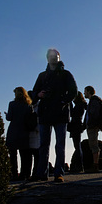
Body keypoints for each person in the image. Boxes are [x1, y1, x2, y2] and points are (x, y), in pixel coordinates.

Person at [31, 48, 78, 183]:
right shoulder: (42, 76)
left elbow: (73, 91)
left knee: (60, 145)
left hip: (60, 113)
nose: (53, 58)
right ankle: (41, 173)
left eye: (55, 56)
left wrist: (63, 101)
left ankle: (58, 173)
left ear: (58, 57)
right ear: (47, 58)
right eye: (50, 56)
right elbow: (34, 92)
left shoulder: (66, 74)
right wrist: (38, 95)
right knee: (43, 145)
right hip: (45, 113)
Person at [4, 87, 34, 180]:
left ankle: (14, 174)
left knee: (12, 155)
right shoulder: (28, 105)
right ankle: (24, 174)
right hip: (24, 132)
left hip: (13, 132)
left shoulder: (12, 104)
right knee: (24, 155)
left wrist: (6, 115)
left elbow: (9, 118)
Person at [83, 86, 102, 173]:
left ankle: (95, 165)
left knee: (93, 145)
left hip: (92, 126)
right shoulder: (93, 101)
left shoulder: (94, 101)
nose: (84, 93)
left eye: (85, 91)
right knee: (93, 144)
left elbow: (94, 114)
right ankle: (95, 165)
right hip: (92, 126)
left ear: (89, 92)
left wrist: (91, 124)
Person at [68, 91, 86, 173]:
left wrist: (70, 104)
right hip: (77, 126)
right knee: (77, 146)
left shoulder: (79, 106)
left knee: (77, 146)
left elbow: (72, 114)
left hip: (76, 126)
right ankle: (79, 165)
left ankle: (79, 166)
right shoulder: (80, 105)